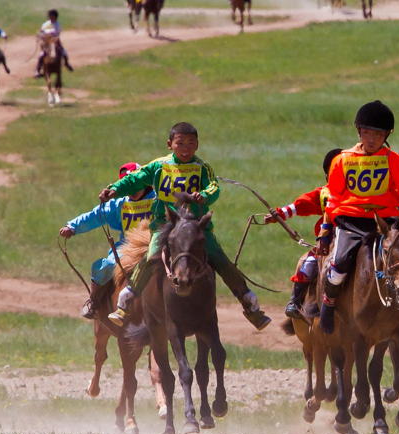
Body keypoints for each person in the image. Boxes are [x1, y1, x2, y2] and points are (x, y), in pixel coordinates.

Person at [97, 122, 271, 330]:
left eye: (191, 143)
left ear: (197, 145)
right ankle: (126, 303)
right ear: (170, 144)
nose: (186, 148)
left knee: (220, 259)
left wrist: (204, 195)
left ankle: (249, 304)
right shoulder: (158, 166)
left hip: (195, 227)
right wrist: (114, 190)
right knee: (151, 257)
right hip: (164, 225)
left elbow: (213, 187)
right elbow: (135, 179)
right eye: (180, 143)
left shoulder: (202, 167)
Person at [320, 101, 399, 334]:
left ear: (386, 135)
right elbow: (333, 199)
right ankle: (328, 304)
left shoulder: (395, 161)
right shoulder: (342, 160)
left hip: (387, 224)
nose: (372, 138)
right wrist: (326, 231)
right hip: (351, 222)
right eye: (367, 132)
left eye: (378, 134)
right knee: (340, 263)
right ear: (359, 131)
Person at [60, 162, 155, 319]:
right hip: (127, 248)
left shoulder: (158, 199)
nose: (132, 190)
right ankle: (95, 301)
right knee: (107, 265)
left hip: (154, 244)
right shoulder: (120, 203)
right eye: (127, 186)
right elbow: (94, 216)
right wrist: (72, 227)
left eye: (135, 185)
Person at [264, 148, 343, 320]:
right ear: (327, 176)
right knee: (308, 264)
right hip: (328, 241)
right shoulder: (324, 193)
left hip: (355, 235)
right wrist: (279, 215)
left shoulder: (358, 192)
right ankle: (295, 302)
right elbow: (301, 205)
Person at [36, 9, 75, 76]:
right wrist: (40, 36)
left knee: (64, 52)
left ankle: (66, 63)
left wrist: (53, 38)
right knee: (42, 55)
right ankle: (38, 70)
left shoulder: (57, 24)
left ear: (55, 16)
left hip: (55, 42)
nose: (51, 17)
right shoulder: (45, 24)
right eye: (50, 16)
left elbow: (57, 34)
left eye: (52, 16)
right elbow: (41, 32)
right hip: (47, 43)